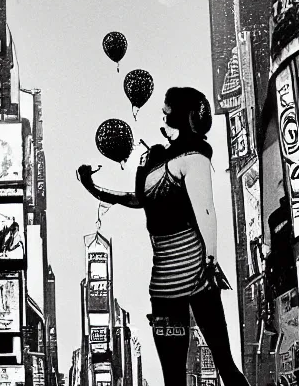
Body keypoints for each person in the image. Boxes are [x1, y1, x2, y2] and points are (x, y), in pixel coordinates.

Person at [77, 86, 249, 386]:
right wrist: (95, 188)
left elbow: (206, 210)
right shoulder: (158, 157)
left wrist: (210, 262)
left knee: (222, 362)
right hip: (166, 284)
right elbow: (137, 198)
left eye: (168, 112)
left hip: (195, 273)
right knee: (177, 375)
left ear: (184, 117)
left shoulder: (193, 156)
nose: (163, 118)